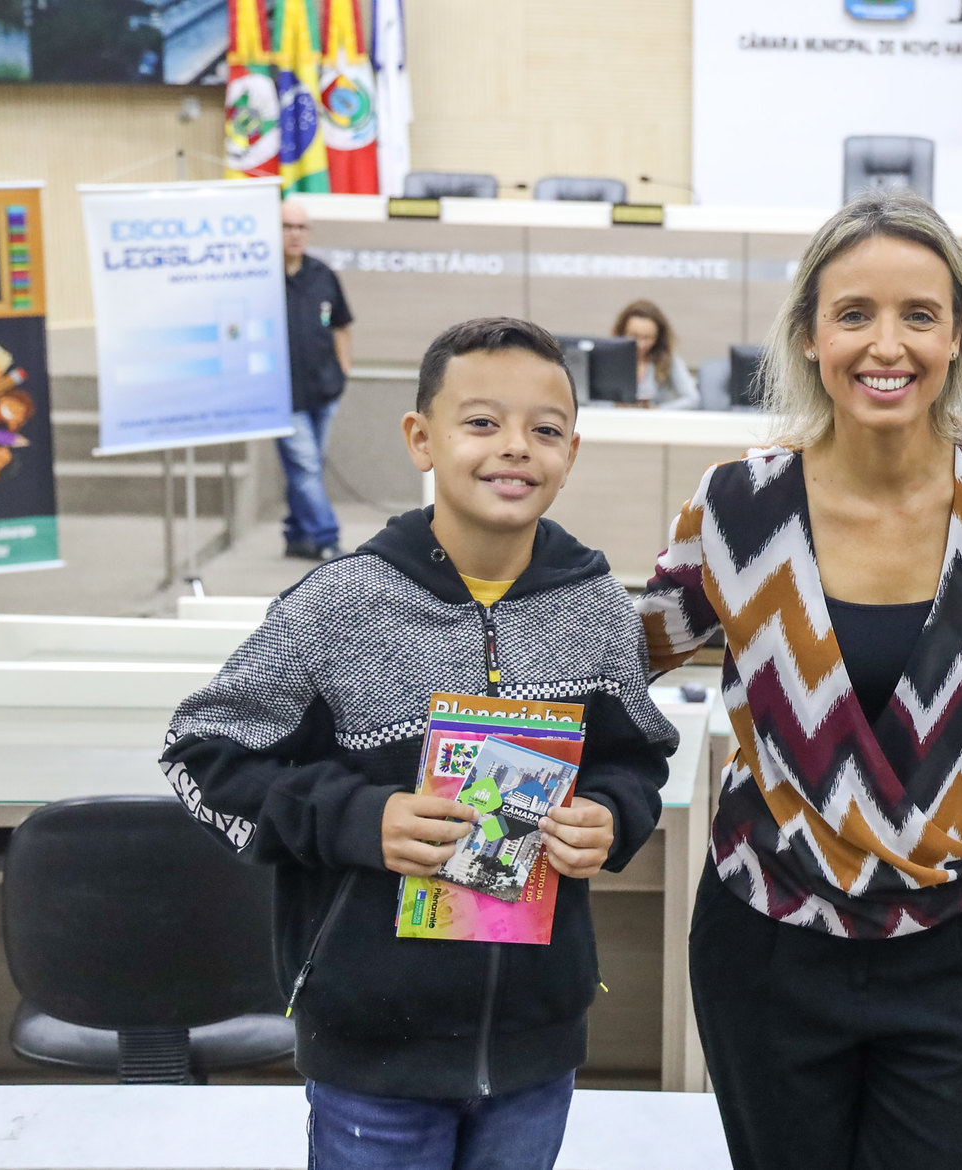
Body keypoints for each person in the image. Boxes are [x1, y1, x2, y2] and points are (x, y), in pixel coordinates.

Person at [635, 190, 962, 1170]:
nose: (888, 345)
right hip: (767, 941)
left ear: (956, 332)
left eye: (918, 314)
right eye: (854, 315)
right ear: (807, 336)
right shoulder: (737, 504)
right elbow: (619, 665)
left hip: (957, 944)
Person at [160, 317, 678, 1170]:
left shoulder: (596, 610)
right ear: (421, 439)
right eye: (481, 423)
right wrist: (363, 820)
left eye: (544, 431)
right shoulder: (336, 608)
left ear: (571, 453)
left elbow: (635, 758)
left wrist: (611, 818)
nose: (514, 448)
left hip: (536, 1042)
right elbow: (200, 755)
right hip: (372, 1042)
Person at [280, 198, 355, 560]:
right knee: (306, 465)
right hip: (282, 397)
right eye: (286, 226)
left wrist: (344, 368)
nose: (294, 234)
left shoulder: (323, 275)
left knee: (307, 466)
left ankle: (296, 533)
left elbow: (341, 324)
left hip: (324, 390)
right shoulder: (260, 278)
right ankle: (327, 538)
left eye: (300, 227)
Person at [613, 300, 699, 409]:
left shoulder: (669, 360)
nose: (641, 344)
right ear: (622, 332)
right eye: (634, 336)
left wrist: (658, 409)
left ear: (658, 337)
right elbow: (594, 401)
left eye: (648, 338)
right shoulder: (611, 360)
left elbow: (693, 399)